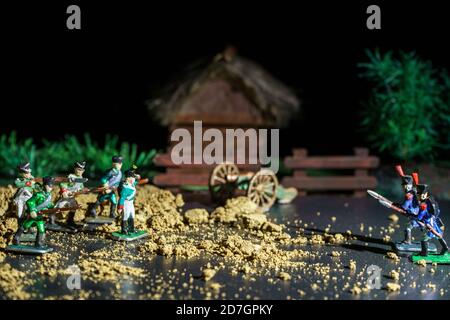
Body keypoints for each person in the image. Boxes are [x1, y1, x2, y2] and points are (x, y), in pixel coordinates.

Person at [13, 176, 55, 247]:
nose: (50, 188)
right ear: (44, 186)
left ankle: (38, 243)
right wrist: (32, 210)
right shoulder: (38, 194)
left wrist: (54, 209)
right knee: (25, 225)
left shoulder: (49, 196)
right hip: (33, 215)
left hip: (40, 216)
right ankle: (16, 238)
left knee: (41, 229)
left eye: (51, 186)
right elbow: (30, 201)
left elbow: (49, 205)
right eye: (48, 186)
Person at [53, 161, 87, 230]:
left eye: (81, 170)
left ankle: (70, 221)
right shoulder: (71, 177)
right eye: (78, 169)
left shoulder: (81, 178)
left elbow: (81, 187)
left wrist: (83, 190)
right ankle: (51, 221)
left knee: (74, 208)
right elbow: (62, 184)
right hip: (66, 197)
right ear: (75, 169)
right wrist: (64, 191)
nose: (79, 171)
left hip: (72, 197)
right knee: (58, 207)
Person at [416, 184, 448, 256]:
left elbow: (420, 216)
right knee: (438, 236)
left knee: (424, 238)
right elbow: (437, 211)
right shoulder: (428, 201)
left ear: (425, 194)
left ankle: (424, 252)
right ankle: (445, 248)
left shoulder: (424, 204)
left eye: (420, 195)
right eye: (418, 195)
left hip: (429, 222)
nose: (418, 196)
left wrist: (416, 217)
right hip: (432, 220)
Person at [117, 169, 140, 235]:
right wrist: (120, 207)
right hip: (126, 203)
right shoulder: (125, 188)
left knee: (132, 216)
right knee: (125, 216)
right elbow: (122, 198)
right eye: (133, 177)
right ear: (129, 178)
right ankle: (124, 230)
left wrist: (137, 176)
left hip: (131, 203)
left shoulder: (132, 184)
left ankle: (131, 229)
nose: (134, 179)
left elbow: (137, 180)